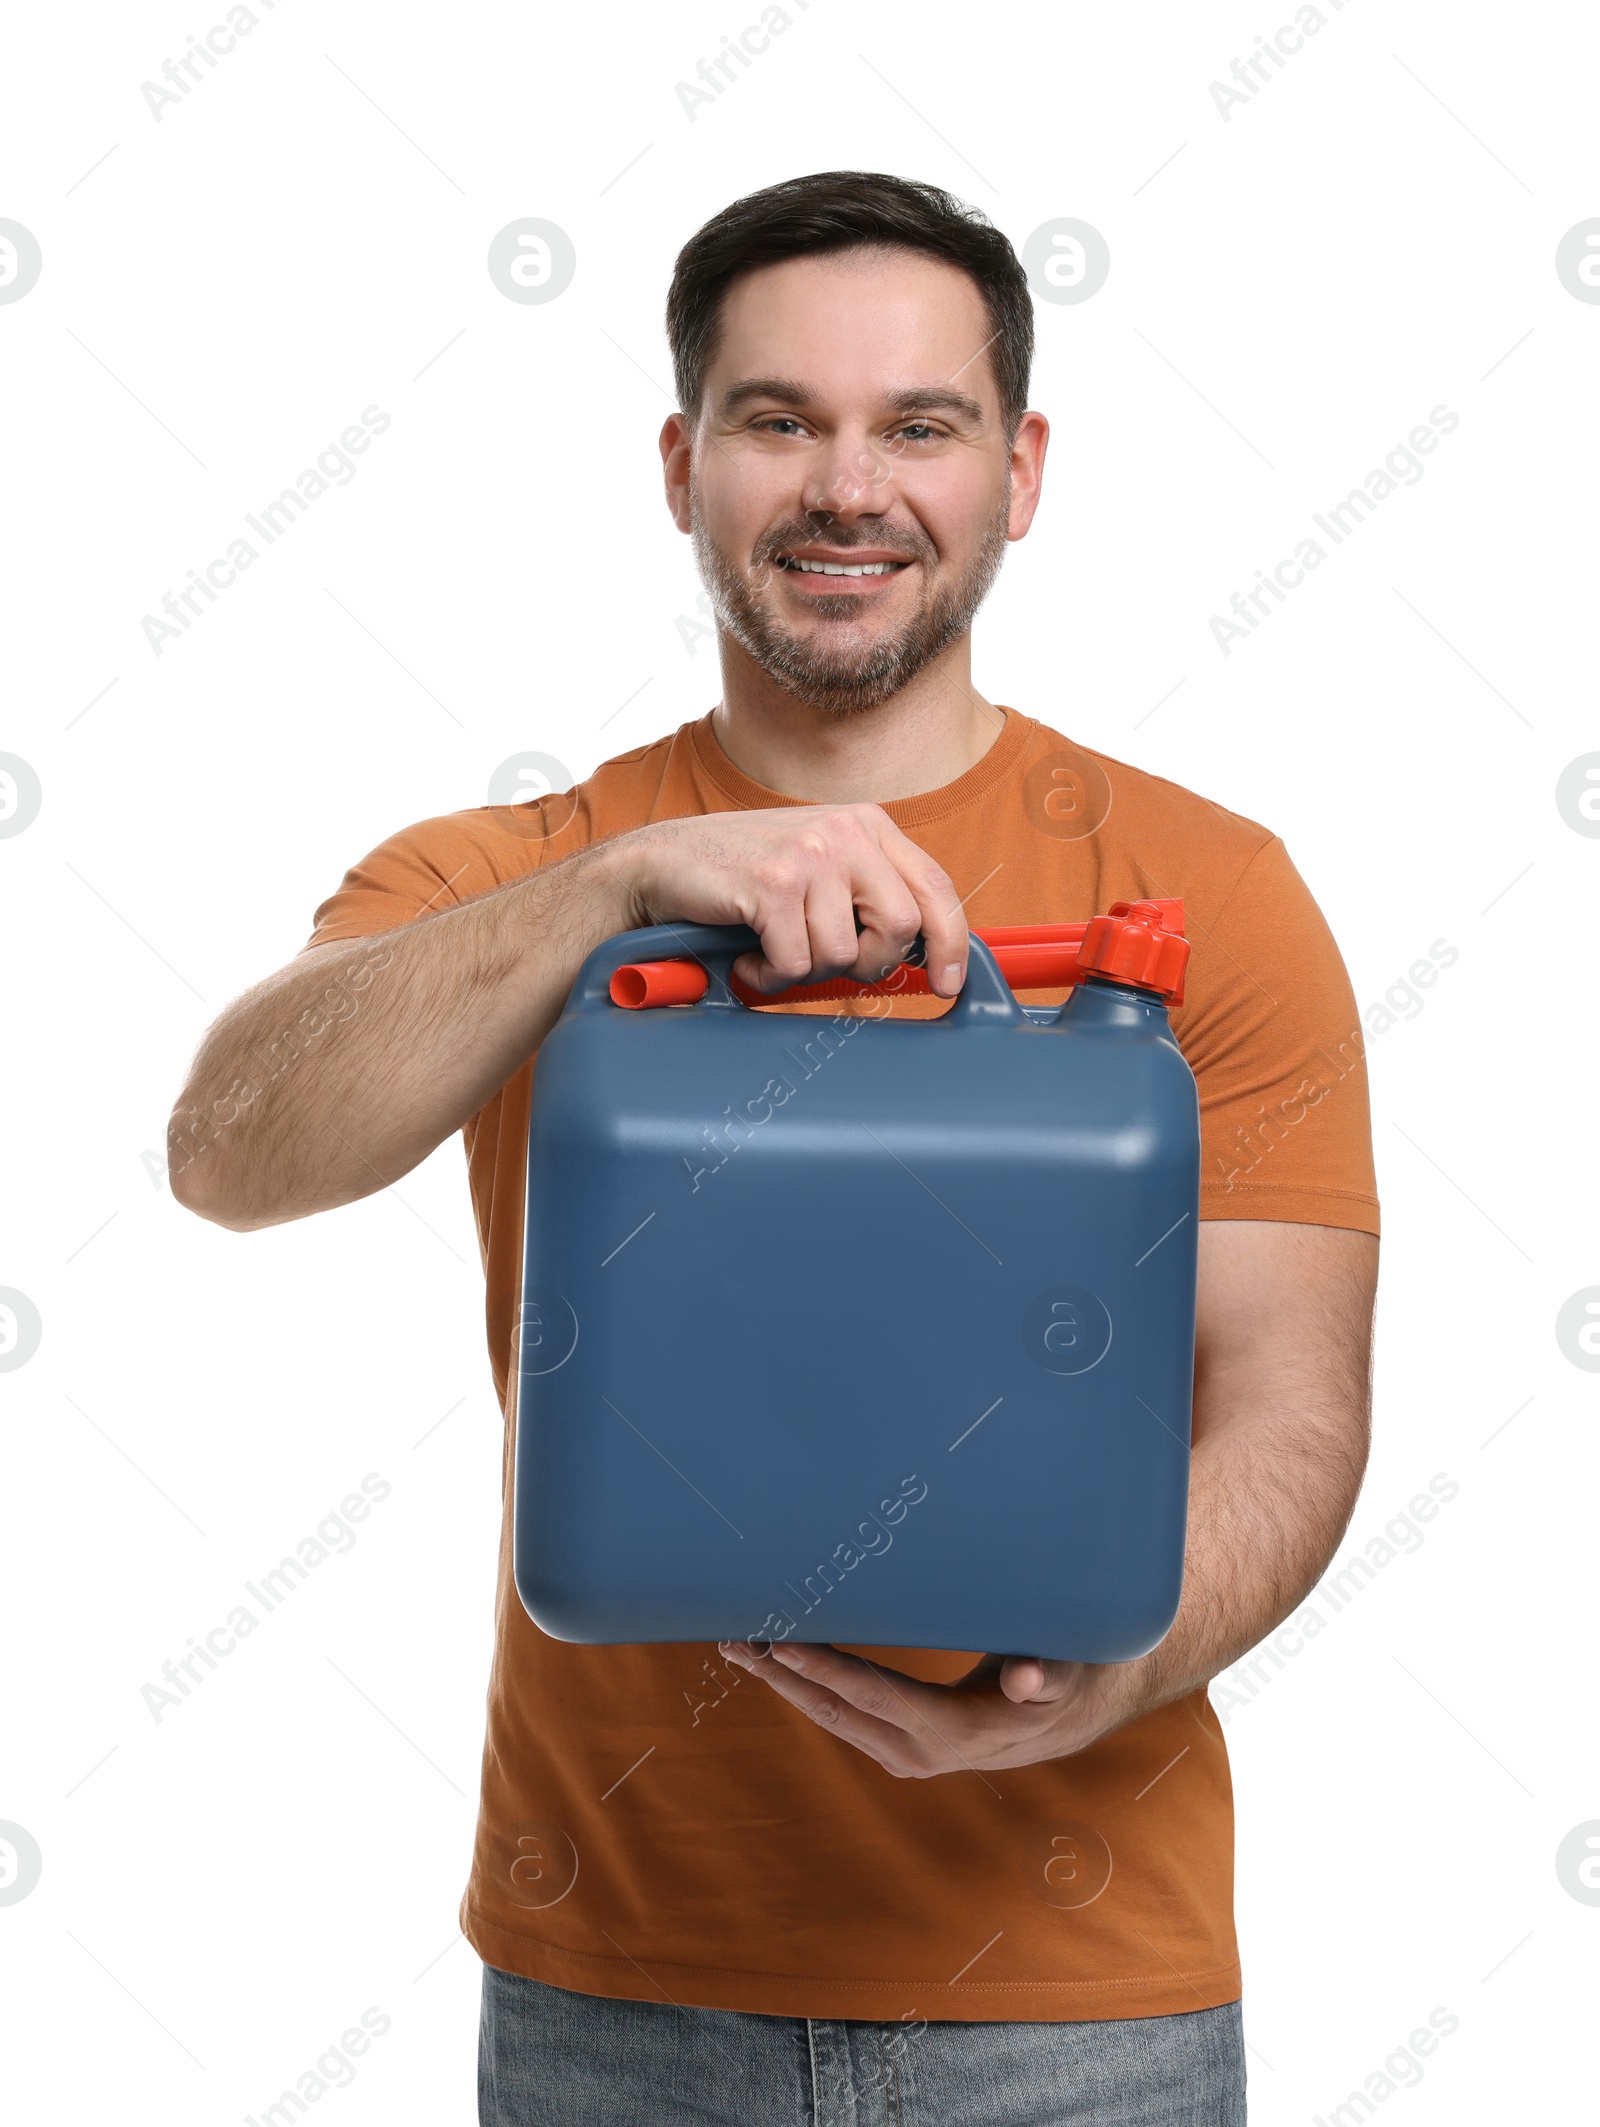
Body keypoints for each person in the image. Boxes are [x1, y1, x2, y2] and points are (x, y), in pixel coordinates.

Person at [170, 170, 1379, 2126]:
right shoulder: (521, 874)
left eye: (917, 424)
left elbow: (1288, 1413)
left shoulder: (1209, 894)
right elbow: (229, 1146)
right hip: (615, 2000)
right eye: (775, 419)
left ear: (1017, 467)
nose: (847, 485)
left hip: (1078, 2001)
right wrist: (618, 884)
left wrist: (1113, 1668)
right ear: (678, 463)